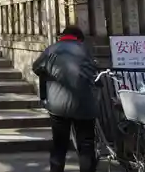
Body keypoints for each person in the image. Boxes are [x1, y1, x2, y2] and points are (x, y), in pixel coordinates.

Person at [32, 26, 98, 172]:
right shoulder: (86, 49)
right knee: (86, 145)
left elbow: (36, 68)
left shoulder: (51, 49)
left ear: (62, 36)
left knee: (59, 145)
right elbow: (94, 71)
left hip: (58, 106)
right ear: (79, 38)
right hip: (84, 105)